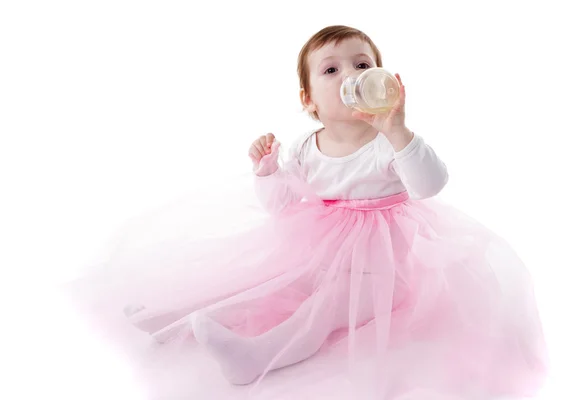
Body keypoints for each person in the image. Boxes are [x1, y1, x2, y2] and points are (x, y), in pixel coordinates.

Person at [66, 25, 548, 399]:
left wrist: (399, 129)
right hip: (322, 247)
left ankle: (257, 356)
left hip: (382, 268)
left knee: (327, 304)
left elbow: (430, 185)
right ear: (309, 100)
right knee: (277, 282)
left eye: (362, 64)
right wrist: (267, 171)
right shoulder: (305, 147)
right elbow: (281, 208)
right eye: (331, 70)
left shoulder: (386, 143)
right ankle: (177, 320)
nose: (352, 77)